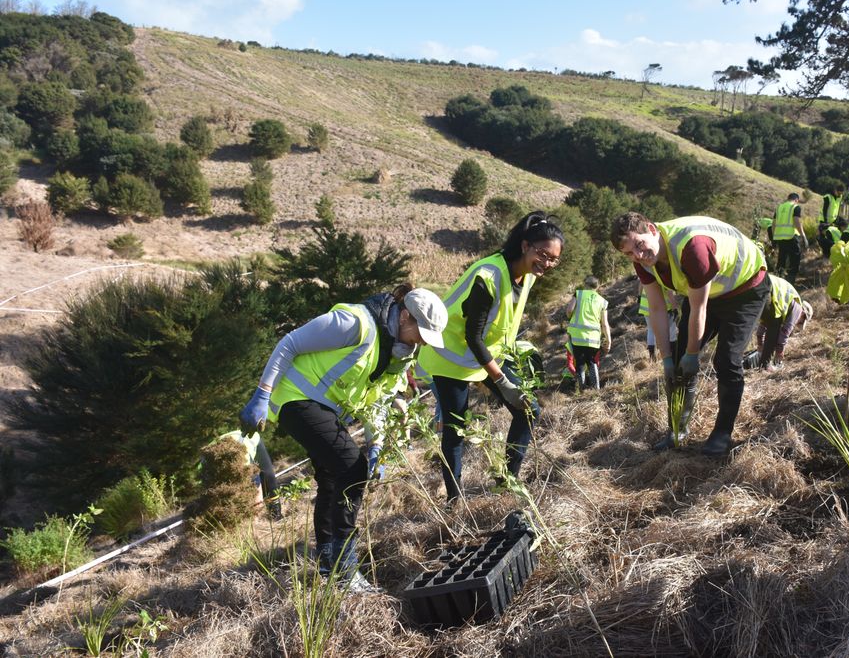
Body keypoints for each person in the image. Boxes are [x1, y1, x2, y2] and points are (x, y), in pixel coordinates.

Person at [239, 285, 447, 589]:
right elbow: (290, 343)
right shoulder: (355, 324)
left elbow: (377, 401)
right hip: (295, 398)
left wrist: (376, 444)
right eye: (421, 334)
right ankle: (344, 568)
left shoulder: (399, 354)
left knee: (332, 476)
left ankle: (328, 560)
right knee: (351, 468)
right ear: (405, 317)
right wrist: (262, 394)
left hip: (324, 408)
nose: (422, 344)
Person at [418, 212, 563, 502]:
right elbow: (473, 336)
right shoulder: (488, 276)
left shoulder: (526, 274)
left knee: (529, 409)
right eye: (543, 255)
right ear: (525, 246)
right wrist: (502, 380)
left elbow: (501, 324)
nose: (546, 264)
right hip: (452, 358)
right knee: (456, 429)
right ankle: (455, 501)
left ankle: (506, 481)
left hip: (488, 354)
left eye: (553, 259)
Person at [611, 212, 768, 456]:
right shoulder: (642, 261)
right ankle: (677, 430)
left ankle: (722, 434)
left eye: (640, 245)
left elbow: (699, 308)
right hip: (708, 292)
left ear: (652, 229)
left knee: (727, 361)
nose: (638, 256)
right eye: (629, 253)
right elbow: (656, 309)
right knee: (677, 359)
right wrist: (666, 360)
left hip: (745, 290)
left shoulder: (691, 247)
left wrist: (692, 355)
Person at [747, 274, 813, 372]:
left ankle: (763, 365)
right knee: (775, 326)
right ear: (803, 314)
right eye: (801, 321)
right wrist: (779, 352)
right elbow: (784, 333)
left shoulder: (782, 307)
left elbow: (761, 328)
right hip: (767, 287)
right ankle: (765, 366)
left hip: (757, 284)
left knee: (772, 322)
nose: (797, 322)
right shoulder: (798, 308)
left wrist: (760, 344)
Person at [216, 429, 281, 519]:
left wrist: (257, 513)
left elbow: (256, 488)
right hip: (218, 445)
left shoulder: (242, 460)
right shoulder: (208, 468)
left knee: (268, 477)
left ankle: (276, 513)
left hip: (249, 438)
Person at [565, 276, 611, 391]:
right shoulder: (602, 301)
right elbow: (605, 324)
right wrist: (608, 340)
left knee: (580, 363)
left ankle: (582, 390)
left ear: (585, 285)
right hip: (594, 338)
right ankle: (597, 389)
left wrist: (570, 317)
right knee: (592, 362)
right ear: (598, 286)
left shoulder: (579, 294)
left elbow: (570, 310)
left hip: (577, 336)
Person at [773, 192, 809, 283]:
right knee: (794, 259)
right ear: (796, 200)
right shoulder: (795, 207)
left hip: (780, 237)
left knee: (781, 258)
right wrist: (803, 235)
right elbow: (796, 221)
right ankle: (790, 282)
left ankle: (778, 279)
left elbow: (774, 223)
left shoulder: (779, 207)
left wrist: (774, 237)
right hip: (791, 237)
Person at [639, 285, 678, 362]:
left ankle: (652, 356)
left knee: (651, 330)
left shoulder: (647, 273)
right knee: (672, 330)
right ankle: (673, 355)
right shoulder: (664, 274)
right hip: (663, 309)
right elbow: (669, 293)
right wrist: (675, 308)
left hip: (646, 308)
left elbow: (641, 284)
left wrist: (639, 296)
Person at [818, 182, 845, 255]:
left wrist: (837, 219)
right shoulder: (828, 197)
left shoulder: (840, 197)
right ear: (835, 190)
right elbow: (825, 210)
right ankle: (823, 253)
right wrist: (826, 222)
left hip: (833, 220)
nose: (840, 195)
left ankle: (830, 253)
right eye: (838, 193)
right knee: (823, 238)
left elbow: (838, 208)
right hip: (824, 220)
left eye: (841, 193)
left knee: (831, 237)